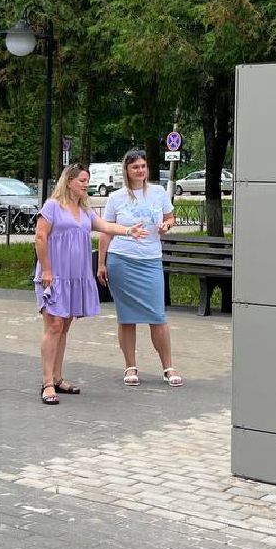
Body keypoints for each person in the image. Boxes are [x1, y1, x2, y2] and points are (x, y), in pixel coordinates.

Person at [34, 165, 145, 406]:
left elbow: (106, 226)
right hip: (54, 276)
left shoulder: (84, 210)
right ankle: (47, 383)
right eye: (82, 180)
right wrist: (47, 269)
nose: (85, 184)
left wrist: (128, 230)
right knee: (53, 325)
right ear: (69, 181)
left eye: (87, 181)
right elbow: (40, 237)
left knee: (63, 326)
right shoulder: (52, 206)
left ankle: (57, 377)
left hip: (76, 277)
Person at [97, 150, 181, 387]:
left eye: (143, 166)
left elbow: (170, 217)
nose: (140, 171)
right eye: (135, 167)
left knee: (158, 316)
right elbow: (106, 230)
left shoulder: (158, 192)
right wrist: (101, 263)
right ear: (127, 170)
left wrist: (166, 225)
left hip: (150, 260)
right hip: (122, 260)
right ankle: (130, 366)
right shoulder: (116, 197)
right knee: (127, 317)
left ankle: (168, 366)